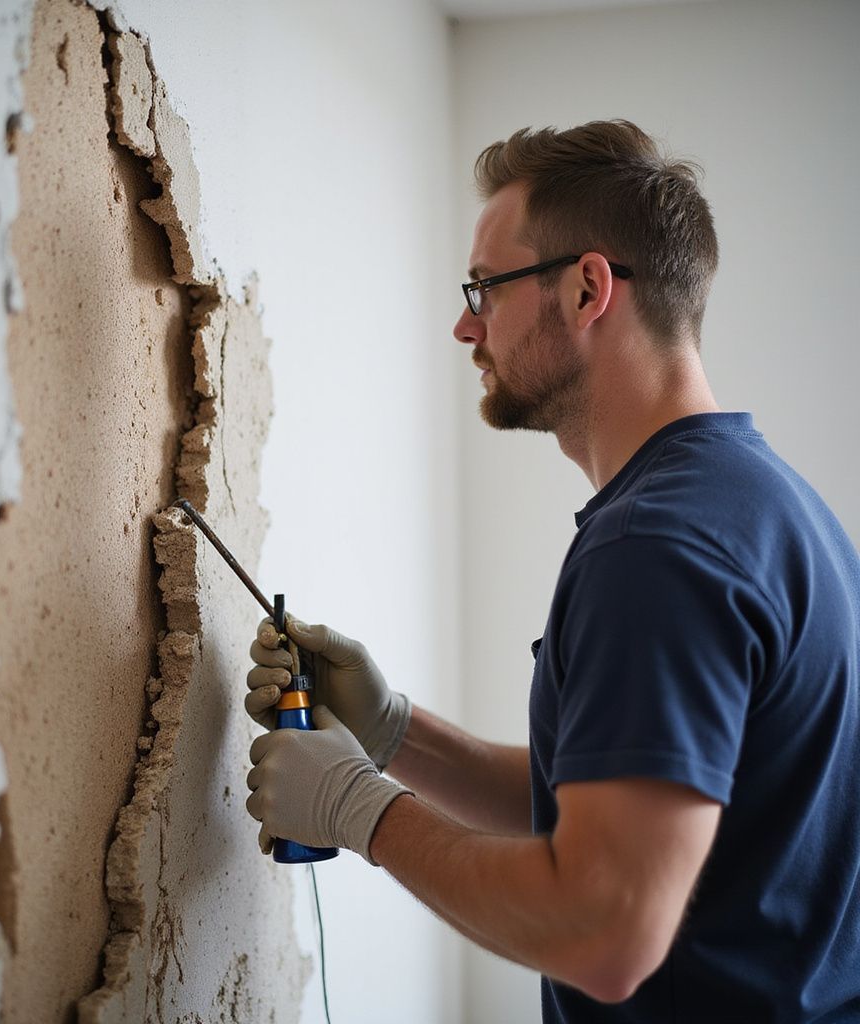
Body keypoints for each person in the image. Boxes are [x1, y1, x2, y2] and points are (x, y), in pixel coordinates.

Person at [243, 120, 860, 1020]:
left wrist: (359, 810)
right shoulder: (766, 505)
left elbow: (604, 931)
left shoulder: (655, 549)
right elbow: (617, 805)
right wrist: (394, 732)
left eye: (485, 288)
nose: (465, 325)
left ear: (586, 289)